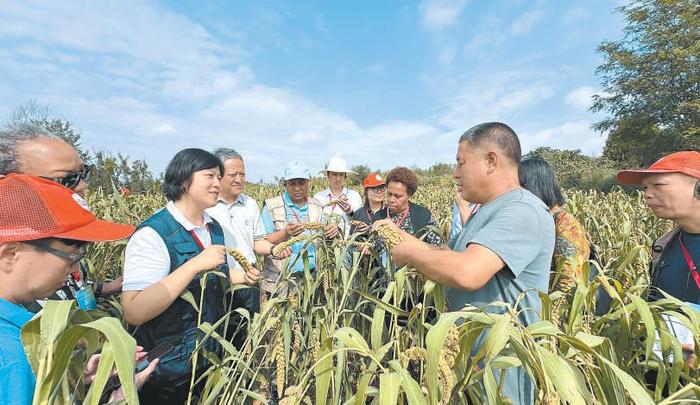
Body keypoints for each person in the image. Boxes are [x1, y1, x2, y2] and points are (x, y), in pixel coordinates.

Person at [373, 122, 555, 404]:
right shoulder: (488, 211)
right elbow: (452, 256)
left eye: (461, 162)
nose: (455, 172)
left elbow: (468, 271)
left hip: (501, 375)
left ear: (491, 161)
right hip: (469, 367)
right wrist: (399, 236)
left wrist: (408, 251)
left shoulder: (522, 210)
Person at [0, 174, 157, 404]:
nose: (75, 269)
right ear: (10, 254)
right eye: (72, 257)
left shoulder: (17, 334)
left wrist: (73, 377)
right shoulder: (13, 356)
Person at [121, 148, 260, 402]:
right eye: (210, 176)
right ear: (185, 180)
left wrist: (242, 276)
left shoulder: (213, 227)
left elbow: (213, 278)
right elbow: (134, 309)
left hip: (208, 359)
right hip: (167, 370)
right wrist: (195, 264)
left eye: (219, 177)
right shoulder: (153, 234)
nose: (218, 183)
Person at [0, 124, 122, 308]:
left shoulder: (62, 236)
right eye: (67, 179)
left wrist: (108, 287)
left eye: (83, 174)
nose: (82, 186)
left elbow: (75, 284)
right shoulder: (23, 256)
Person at [617, 151, 700, 370]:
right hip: (666, 369)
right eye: (645, 188)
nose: (647, 195)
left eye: (659, 185)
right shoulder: (663, 245)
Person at [206, 148, 290, 345]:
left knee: (245, 339)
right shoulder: (207, 206)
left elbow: (256, 241)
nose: (239, 179)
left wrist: (272, 249)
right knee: (216, 340)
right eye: (232, 174)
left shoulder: (250, 204)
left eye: (242, 174)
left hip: (248, 282)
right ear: (218, 176)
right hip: (215, 282)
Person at [260, 160, 339, 294]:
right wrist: (285, 233)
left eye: (301, 183)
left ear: (309, 183)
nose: (297, 188)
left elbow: (326, 234)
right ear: (285, 184)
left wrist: (333, 229)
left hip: (311, 280)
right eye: (292, 183)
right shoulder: (271, 206)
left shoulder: (317, 206)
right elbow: (261, 241)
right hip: (279, 282)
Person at [519, 157, 590, 292]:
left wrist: (551, 313)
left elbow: (568, 282)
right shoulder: (539, 219)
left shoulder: (565, 224)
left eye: (521, 187)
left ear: (534, 186)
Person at [376, 167, 442, 245]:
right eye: (389, 194)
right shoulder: (378, 217)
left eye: (397, 196)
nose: (391, 200)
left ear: (409, 195)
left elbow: (438, 248)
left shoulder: (423, 216)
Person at [313, 157, 363, 234]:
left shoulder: (354, 196)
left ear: (345, 176)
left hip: (347, 243)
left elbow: (361, 222)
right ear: (328, 175)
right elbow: (314, 223)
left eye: (341, 175)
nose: (338, 178)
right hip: (324, 243)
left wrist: (350, 212)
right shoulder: (318, 197)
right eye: (334, 174)